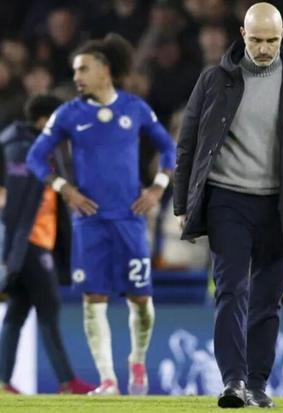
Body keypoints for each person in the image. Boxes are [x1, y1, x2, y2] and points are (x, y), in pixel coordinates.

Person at [173, 2, 283, 409]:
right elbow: (188, 144)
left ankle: (258, 385)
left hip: (280, 204)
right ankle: (233, 382)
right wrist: (182, 202)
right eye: (257, 40)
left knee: (268, 298)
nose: (264, 49)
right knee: (230, 290)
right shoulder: (214, 80)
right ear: (243, 35)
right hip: (227, 199)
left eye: (272, 41)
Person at [26, 34, 176, 395]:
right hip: (89, 221)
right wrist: (64, 188)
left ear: (105, 70)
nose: (76, 76)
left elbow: (169, 147)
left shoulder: (135, 108)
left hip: (129, 219)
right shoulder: (68, 114)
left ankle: (137, 360)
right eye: (75, 70)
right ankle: (108, 379)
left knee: (141, 300)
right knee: (94, 300)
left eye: (83, 69)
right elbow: (35, 157)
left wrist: (157, 188)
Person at [0, 95, 94, 395]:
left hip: (34, 241)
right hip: (29, 242)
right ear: (44, 120)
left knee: (17, 312)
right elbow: (13, 203)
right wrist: (10, 250)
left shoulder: (31, 145)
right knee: (49, 309)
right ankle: (67, 381)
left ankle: (3, 382)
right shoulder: (22, 148)